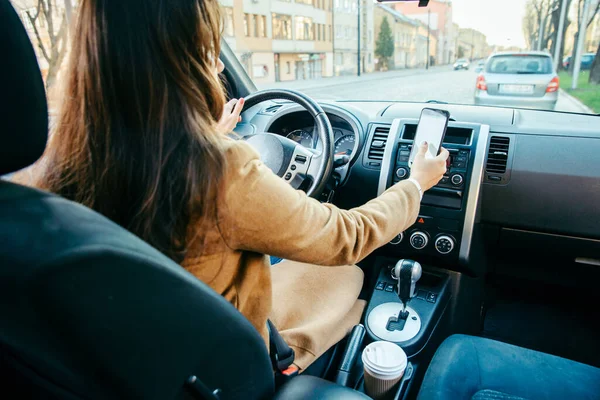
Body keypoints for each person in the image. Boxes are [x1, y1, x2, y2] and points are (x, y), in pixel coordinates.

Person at [15, 0, 448, 370]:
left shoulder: (47, 170)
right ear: (178, 57)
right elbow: (345, 236)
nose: (219, 64)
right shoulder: (219, 171)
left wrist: (214, 138)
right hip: (226, 368)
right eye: (207, 48)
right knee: (349, 275)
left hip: (138, 360)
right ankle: (292, 366)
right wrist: (414, 184)